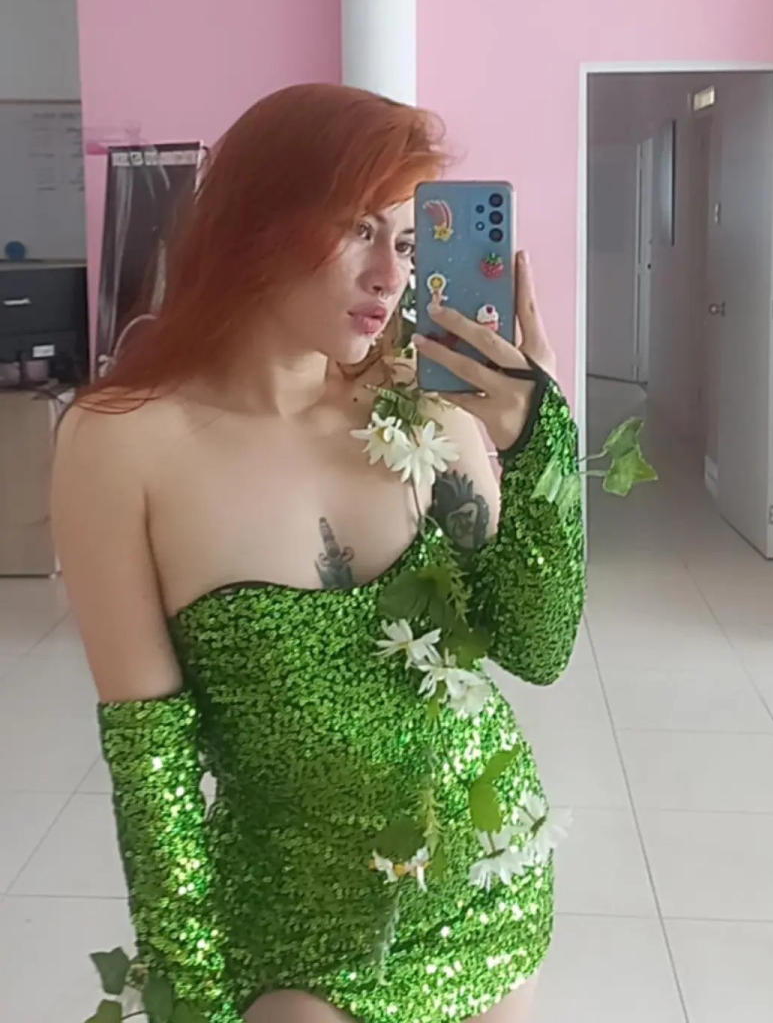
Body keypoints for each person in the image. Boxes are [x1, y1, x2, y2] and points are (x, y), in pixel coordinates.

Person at [52, 83, 585, 1023]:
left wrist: (542, 439)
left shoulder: (426, 412)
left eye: (408, 244)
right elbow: (150, 756)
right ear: (256, 225)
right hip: (290, 913)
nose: (390, 276)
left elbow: (537, 648)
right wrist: (192, 994)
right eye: (358, 229)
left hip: (483, 891)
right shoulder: (123, 442)